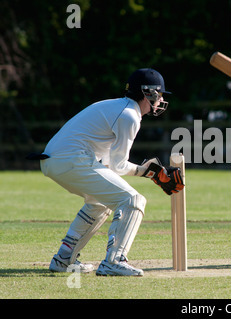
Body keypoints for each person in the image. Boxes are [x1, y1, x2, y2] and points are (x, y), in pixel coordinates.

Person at [40, 68, 184, 276]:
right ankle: (114, 261)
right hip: (71, 158)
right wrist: (151, 173)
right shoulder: (129, 116)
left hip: (57, 160)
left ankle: (64, 258)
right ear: (149, 93)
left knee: (100, 202)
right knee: (133, 200)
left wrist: (150, 171)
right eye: (160, 95)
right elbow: (118, 166)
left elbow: (109, 164)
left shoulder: (118, 108)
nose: (161, 100)